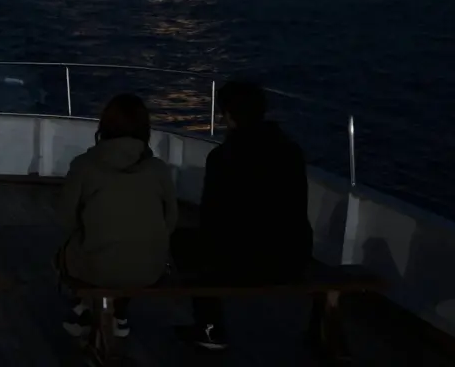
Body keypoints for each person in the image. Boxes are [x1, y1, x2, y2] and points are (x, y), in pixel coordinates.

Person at [175, 80, 313, 351]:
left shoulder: (222, 157)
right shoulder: (291, 152)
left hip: (242, 262)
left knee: (181, 241)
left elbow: (212, 218)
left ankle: (209, 327)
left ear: (227, 115)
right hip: (290, 257)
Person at [58, 94, 177, 339]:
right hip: (148, 269)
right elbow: (171, 219)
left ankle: (82, 308)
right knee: (129, 250)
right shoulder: (158, 170)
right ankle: (119, 314)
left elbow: (67, 218)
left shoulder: (83, 166)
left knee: (69, 254)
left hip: (96, 266)